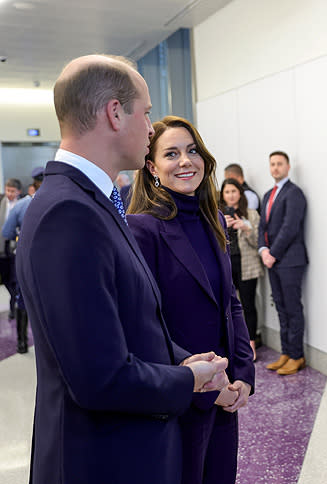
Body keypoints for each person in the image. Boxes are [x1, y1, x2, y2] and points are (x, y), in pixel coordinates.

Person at [15, 54, 229, 484]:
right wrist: (186, 380)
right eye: (146, 112)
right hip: (102, 460)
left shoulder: (91, 203)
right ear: (115, 113)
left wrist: (184, 358)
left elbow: (130, 325)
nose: (150, 128)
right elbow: (100, 378)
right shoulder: (68, 213)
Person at [128, 115, 255, 484]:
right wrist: (204, 384)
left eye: (192, 150)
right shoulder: (142, 228)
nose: (185, 161)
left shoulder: (212, 218)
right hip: (180, 395)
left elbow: (230, 301)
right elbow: (145, 324)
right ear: (152, 166)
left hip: (225, 391)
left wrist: (242, 376)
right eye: (171, 153)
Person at [259, 150, 309, 375]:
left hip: (290, 260)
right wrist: (262, 250)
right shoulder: (268, 194)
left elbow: (290, 228)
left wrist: (273, 254)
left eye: (280, 164)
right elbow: (263, 226)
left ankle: (297, 356)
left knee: (292, 308)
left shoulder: (294, 193)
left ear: (288, 167)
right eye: (272, 164)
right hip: (273, 260)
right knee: (280, 307)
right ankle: (286, 353)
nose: (275, 168)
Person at [3, 167, 46, 354]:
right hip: (53, 263)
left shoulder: (22, 206)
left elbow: (7, 233)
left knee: (23, 299)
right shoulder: (63, 201)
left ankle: (22, 343)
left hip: (26, 259)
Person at [220, 178, 264, 360]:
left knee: (248, 305)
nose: (231, 195)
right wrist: (224, 227)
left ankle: (251, 344)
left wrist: (246, 228)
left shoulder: (252, 213)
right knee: (228, 306)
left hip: (247, 266)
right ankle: (232, 343)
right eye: (227, 192)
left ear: (240, 193)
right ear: (222, 195)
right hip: (226, 266)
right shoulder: (217, 215)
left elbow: (259, 242)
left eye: (234, 191)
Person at [0, 178, 21, 319]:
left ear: (18, 192)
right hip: (2, 246)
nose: (9, 193)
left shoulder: (21, 205)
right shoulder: (1, 203)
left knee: (14, 279)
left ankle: (14, 306)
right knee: (6, 279)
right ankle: (14, 297)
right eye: (8, 190)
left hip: (14, 246)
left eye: (12, 191)